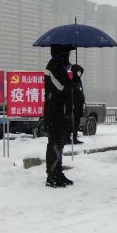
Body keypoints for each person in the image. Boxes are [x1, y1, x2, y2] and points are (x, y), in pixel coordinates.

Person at [43, 45, 74, 187]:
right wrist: (71, 80)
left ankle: (58, 172)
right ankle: (52, 175)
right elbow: (61, 87)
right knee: (54, 144)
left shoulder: (59, 67)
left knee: (60, 144)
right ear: (60, 53)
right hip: (54, 113)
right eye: (67, 53)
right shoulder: (53, 67)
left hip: (61, 113)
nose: (68, 56)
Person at [71, 64, 85, 145]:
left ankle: (75, 137)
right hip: (74, 105)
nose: (79, 73)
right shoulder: (72, 81)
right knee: (73, 122)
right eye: (78, 71)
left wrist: (83, 102)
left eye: (80, 72)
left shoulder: (79, 81)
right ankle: (70, 138)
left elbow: (81, 92)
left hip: (79, 105)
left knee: (77, 122)